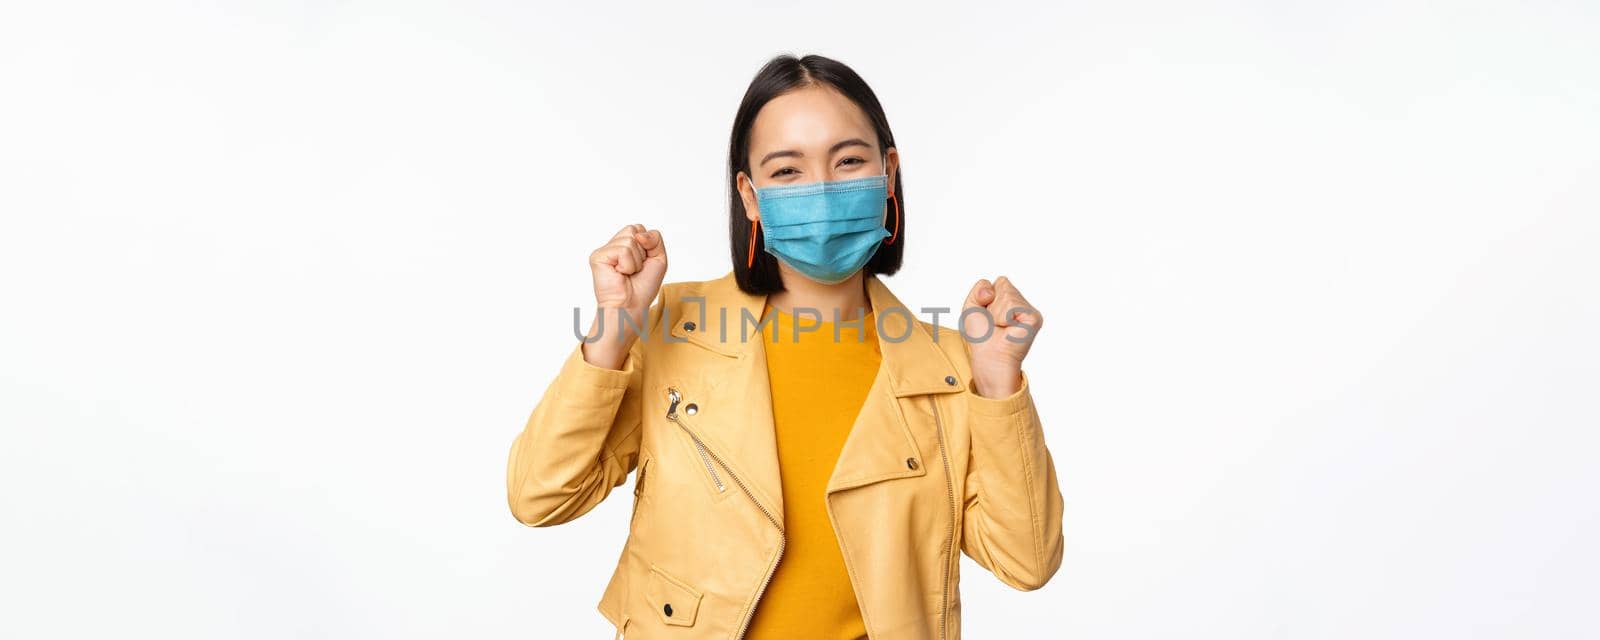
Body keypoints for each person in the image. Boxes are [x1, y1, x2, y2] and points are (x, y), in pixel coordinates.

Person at [506, 53, 1064, 640]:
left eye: (848, 160)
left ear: (888, 173)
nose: (821, 191)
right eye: (787, 171)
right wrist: (614, 327)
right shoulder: (673, 327)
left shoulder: (955, 366)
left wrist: (999, 382)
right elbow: (540, 496)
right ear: (749, 196)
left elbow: (1026, 560)